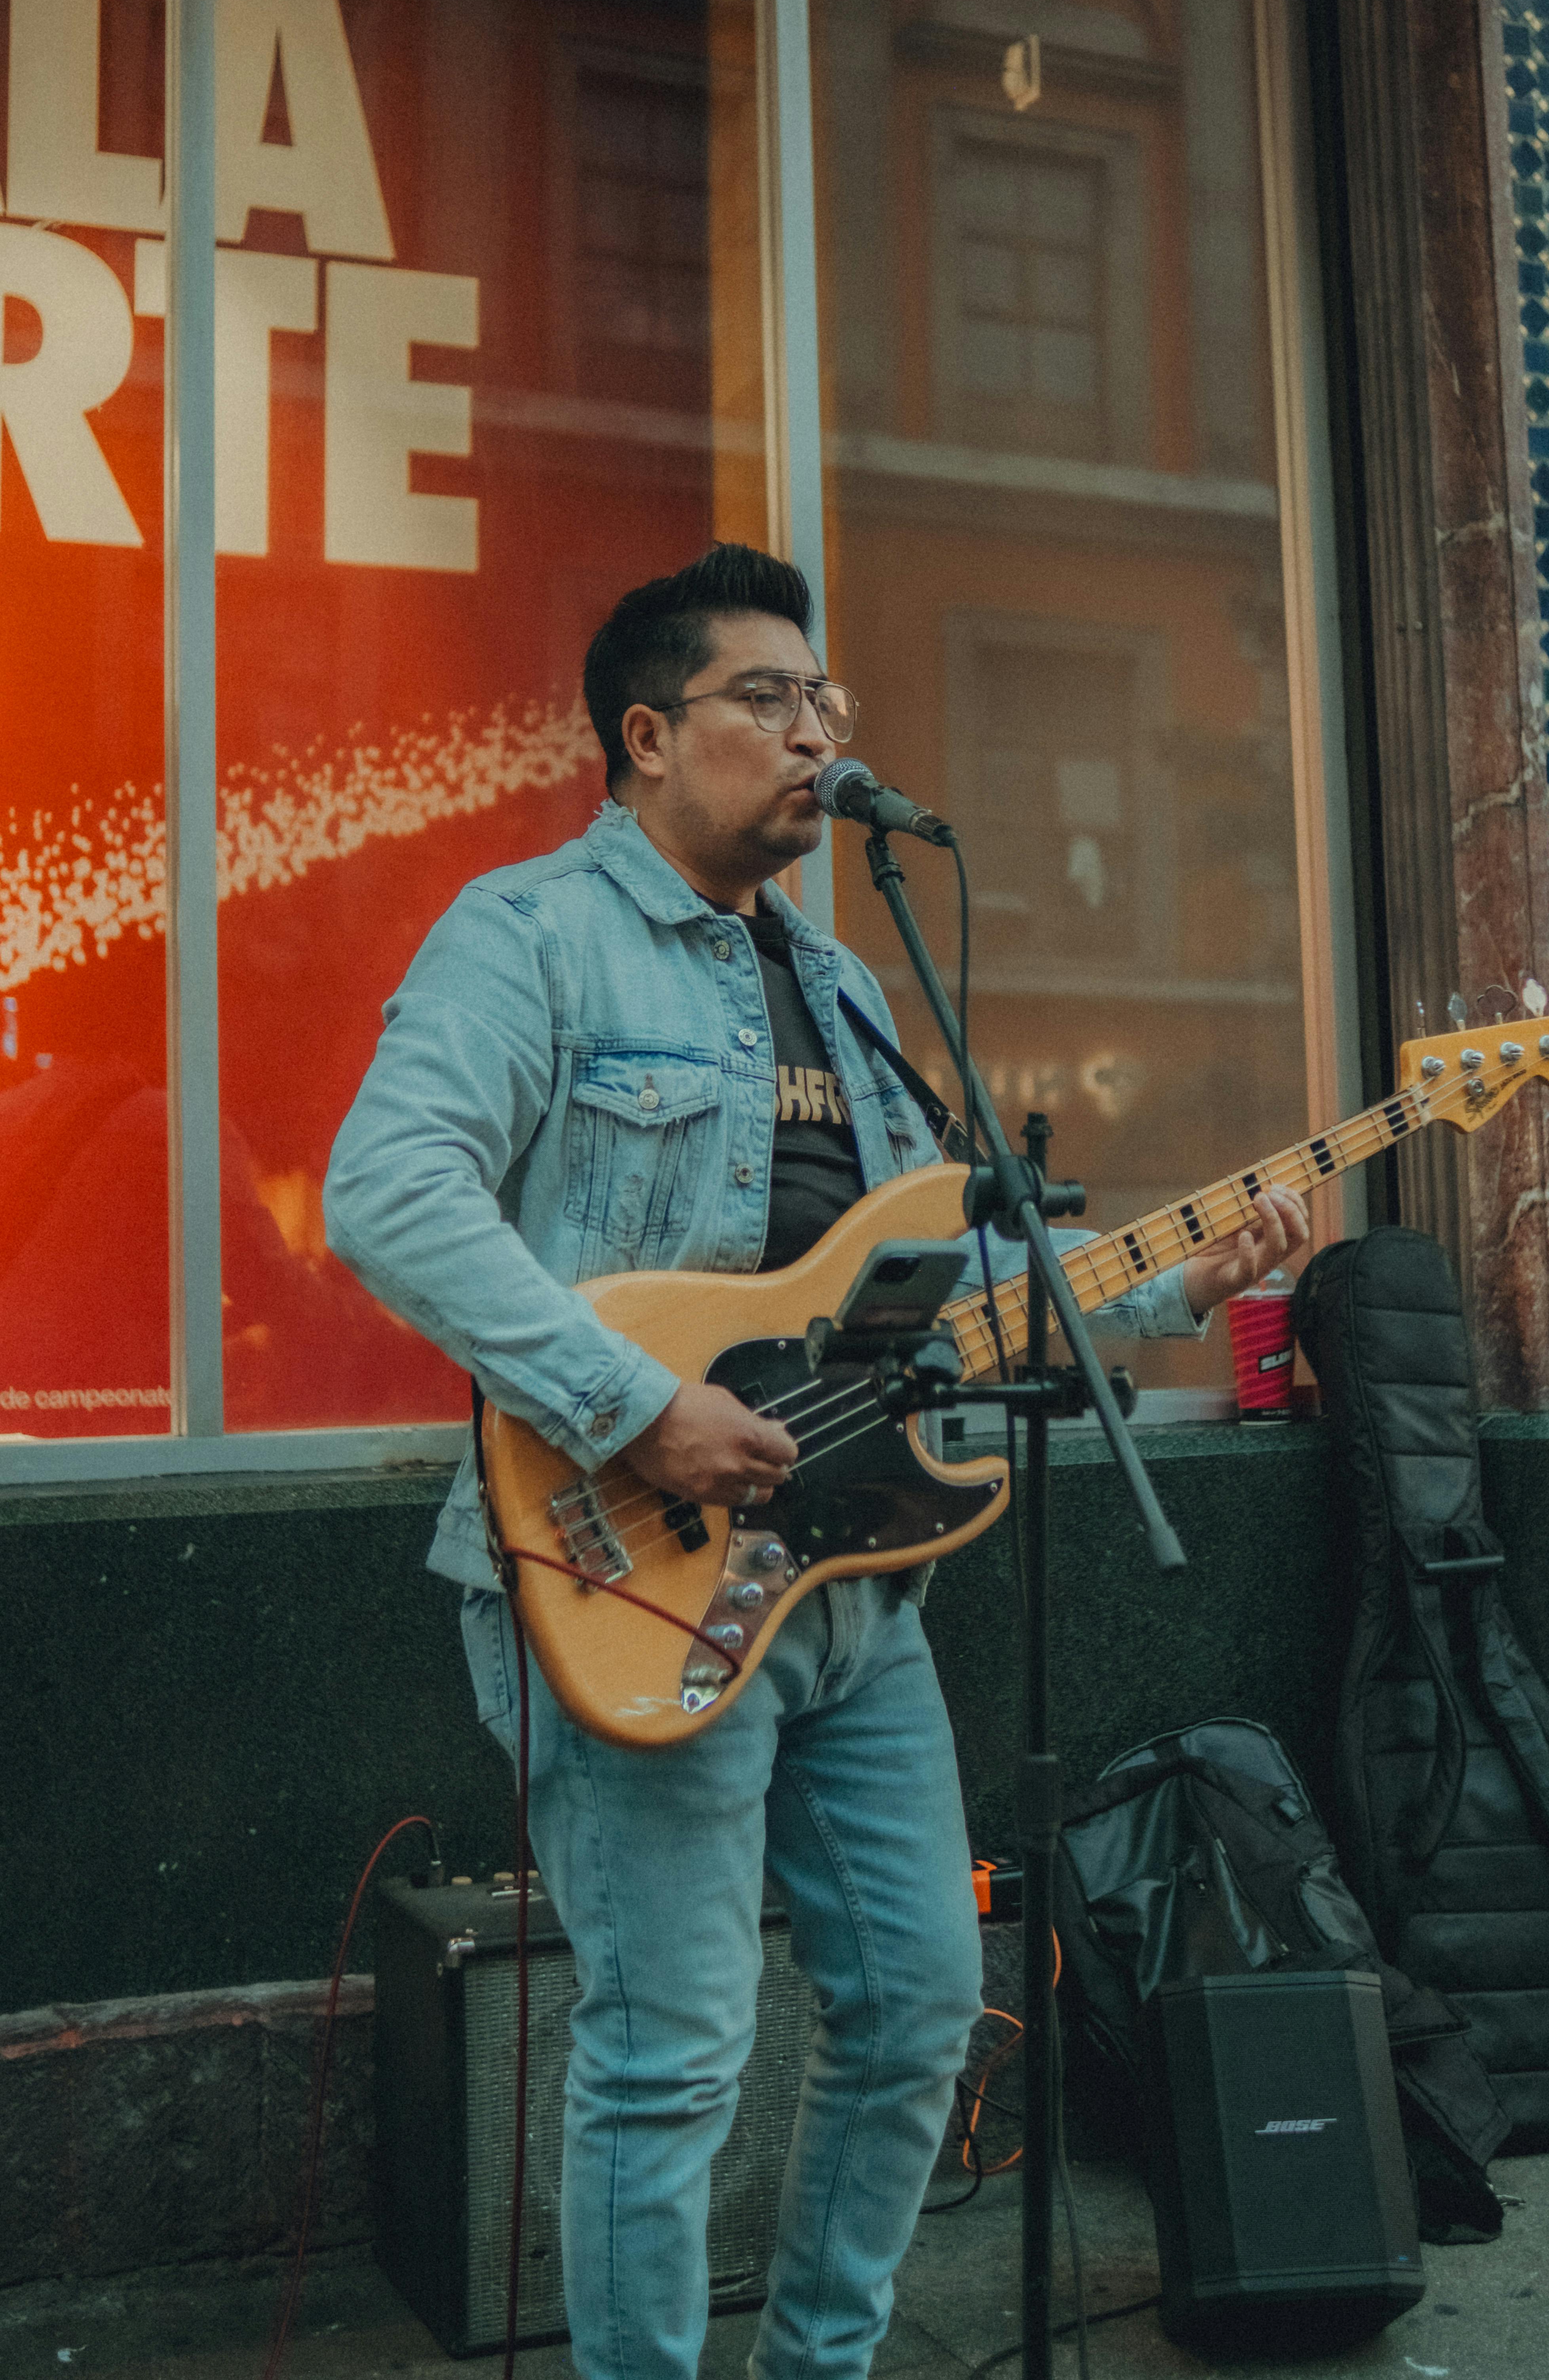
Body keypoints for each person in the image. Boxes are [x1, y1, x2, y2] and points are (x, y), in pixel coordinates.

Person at [323, 543, 1308, 2380]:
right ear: (644, 734)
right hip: (627, 1561)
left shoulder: (848, 983)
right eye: (765, 697)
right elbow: (391, 1193)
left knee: (926, 2006)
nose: (813, 732)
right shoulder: (528, 931)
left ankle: (819, 2363)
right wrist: (632, 1403)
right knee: (672, 2041)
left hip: (855, 1580)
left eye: (825, 700)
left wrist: (1172, 1270)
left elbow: (926, 1288)